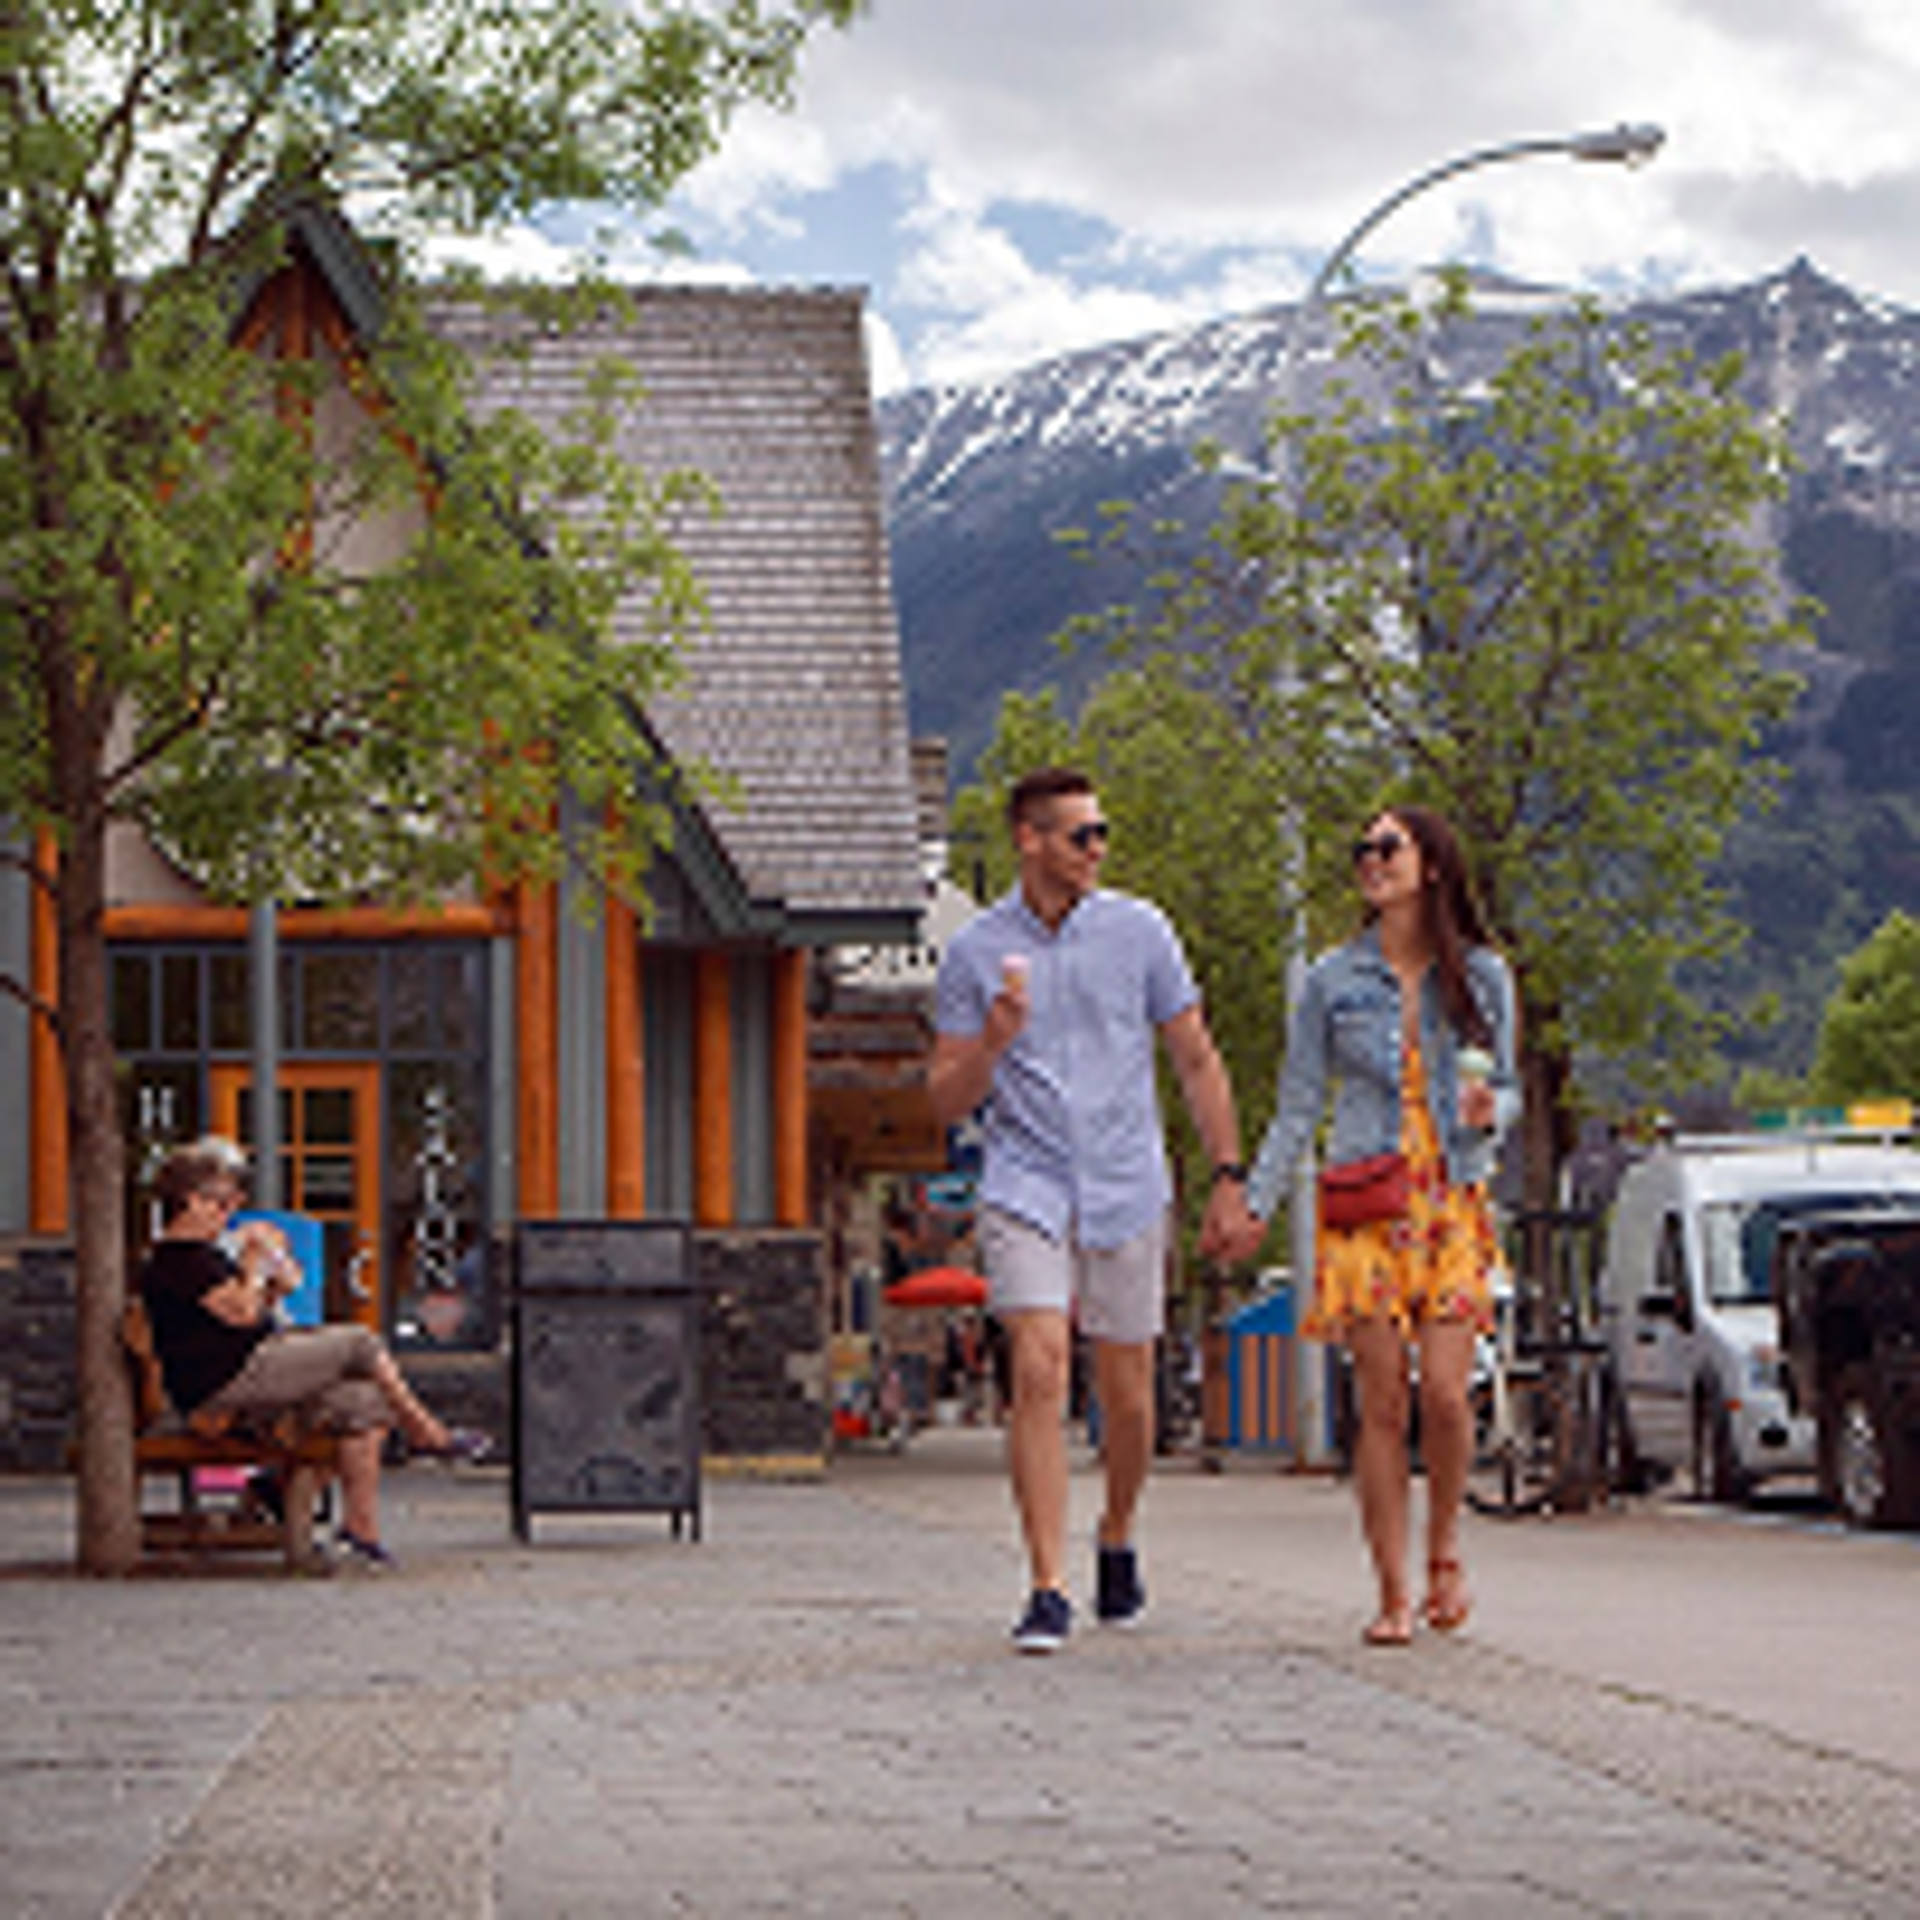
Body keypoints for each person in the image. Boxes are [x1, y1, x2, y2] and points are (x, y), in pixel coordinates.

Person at [929, 766, 1255, 1653]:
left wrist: (1230, 1174)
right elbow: (944, 1100)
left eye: (1102, 833)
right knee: (1037, 1364)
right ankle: (1045, 1583)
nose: (1099, 849)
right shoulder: (973, 953)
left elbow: (1194, 1057)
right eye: (1082, 835)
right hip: (1025, 1180)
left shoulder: (1140, 930)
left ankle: (1116, 1530)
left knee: (1129, 1392)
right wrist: (992, 1042)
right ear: (1029, 840)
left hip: (1126, 1178)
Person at [1230, 804, 1519, 1646]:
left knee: (1444, 1394)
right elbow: (1296, 1107)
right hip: (1366, 1204)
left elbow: (1511, 1091)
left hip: (1452, 1198)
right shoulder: (1331, 980)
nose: (1370, 860)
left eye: (1387, 847)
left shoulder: (1482, 975)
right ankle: (1392, 1590)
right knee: (1383, 1403)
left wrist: (1487, 1106)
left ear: (1430, 864)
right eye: (1361, 849)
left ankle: (1445, 1550)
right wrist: (1255, 1200)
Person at [137, 1140, 489, 1569]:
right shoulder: (176, 1259)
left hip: (254, 1366)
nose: (230, 1211)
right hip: (224, 1382)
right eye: (222, 1202)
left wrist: (275, 1282)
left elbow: (250, 1310)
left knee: (366, 1402)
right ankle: (428, 1433)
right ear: (192, 1201)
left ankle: (358, 1529)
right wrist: (252, 1263)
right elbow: (240, 1314)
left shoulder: (208, 1254)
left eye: (234, 1202)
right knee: (360, 1342)